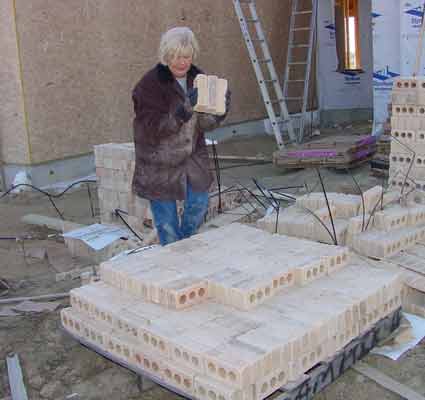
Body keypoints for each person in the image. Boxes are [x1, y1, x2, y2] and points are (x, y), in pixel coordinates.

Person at [131, 27, 231, 246]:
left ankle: (181, 244)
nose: (182, 62)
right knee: (166, 223)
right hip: (159, 160)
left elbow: (204, 124)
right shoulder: (149, 85)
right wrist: (185, 109)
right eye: (176, 56)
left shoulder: (198, 78)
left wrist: (219, 111)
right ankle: (174, 258)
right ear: (166, 56)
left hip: (192, 155)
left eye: (186, 56)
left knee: (199, 204)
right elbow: (153, 128)